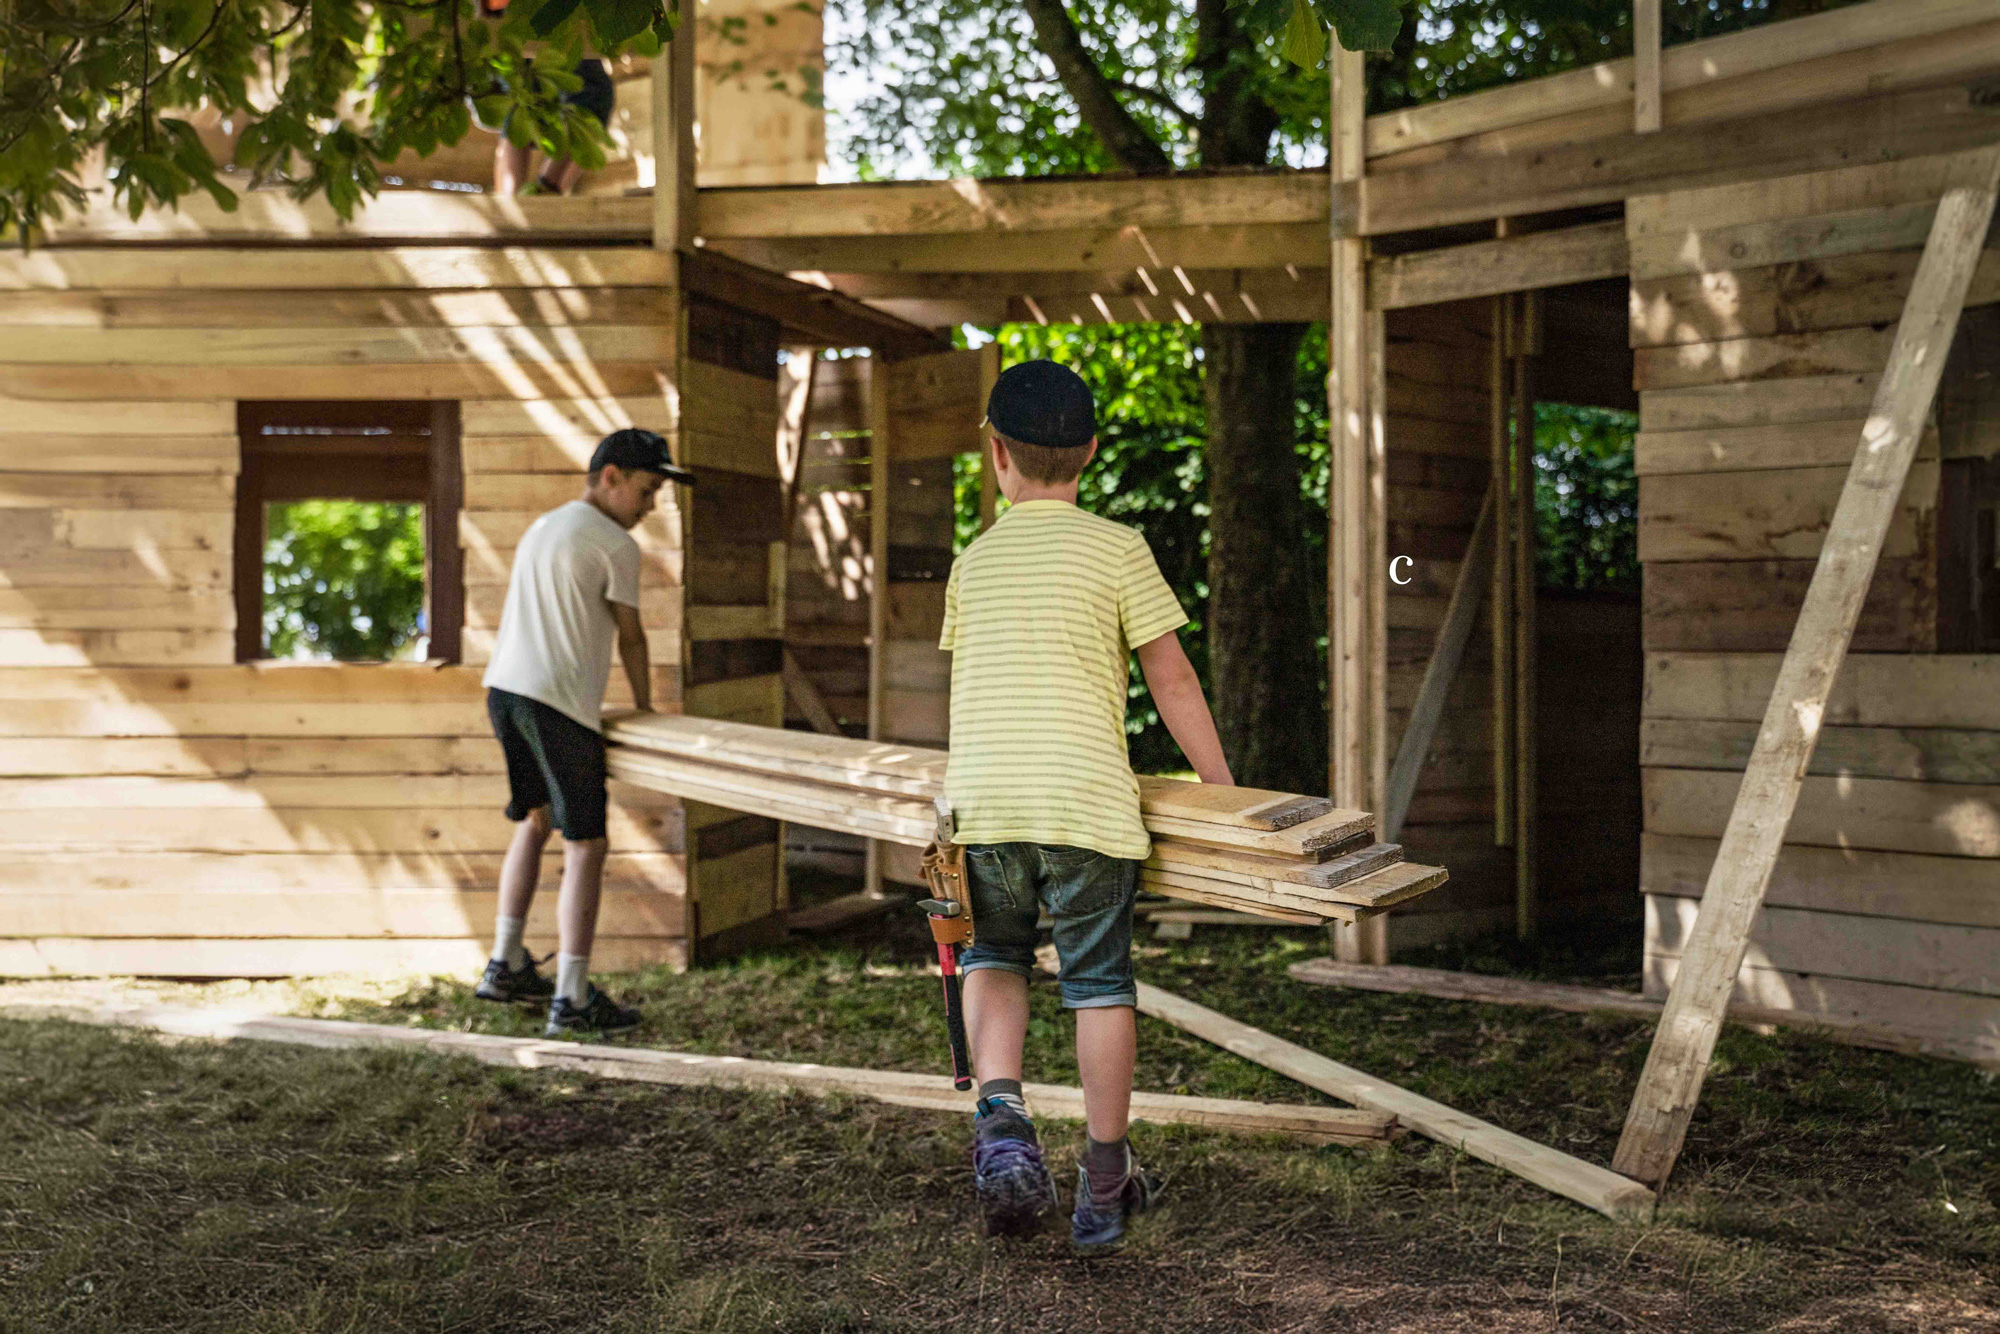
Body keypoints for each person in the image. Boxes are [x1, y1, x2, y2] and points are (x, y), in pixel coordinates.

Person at [939, 360, 1234, 1249]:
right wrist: (1221, 788)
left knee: (995, 953)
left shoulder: (973, 562)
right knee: (1100, 985)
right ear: (1093, 452)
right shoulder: (1118, 549)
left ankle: (1001, 1125)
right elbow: (1170, 677)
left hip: (985, 808)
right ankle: (1104, 1184)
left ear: (997, 453)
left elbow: (971, 683)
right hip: (1087, 811)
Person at [474, 428, 693, 1037]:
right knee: (587, 845)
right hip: (556, 707)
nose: (649, 507)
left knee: (535, 820)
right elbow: (631, 634)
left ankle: (506, 961)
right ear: (611, 476)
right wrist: (647, 709)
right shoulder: (614, 545)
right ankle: (570, 997)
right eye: (647, 491)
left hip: (506, 694)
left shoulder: (544, 527)